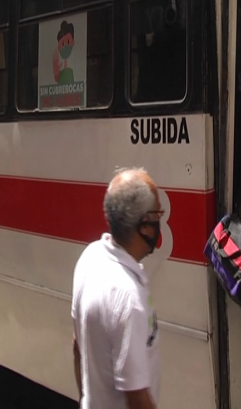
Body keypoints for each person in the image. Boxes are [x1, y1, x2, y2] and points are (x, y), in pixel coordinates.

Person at [71, 168, 162, 409]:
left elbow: (78, 345)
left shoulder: (90, 257)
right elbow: (137, 397)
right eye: (158, 214)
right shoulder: (128, 297)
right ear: (145, 225)